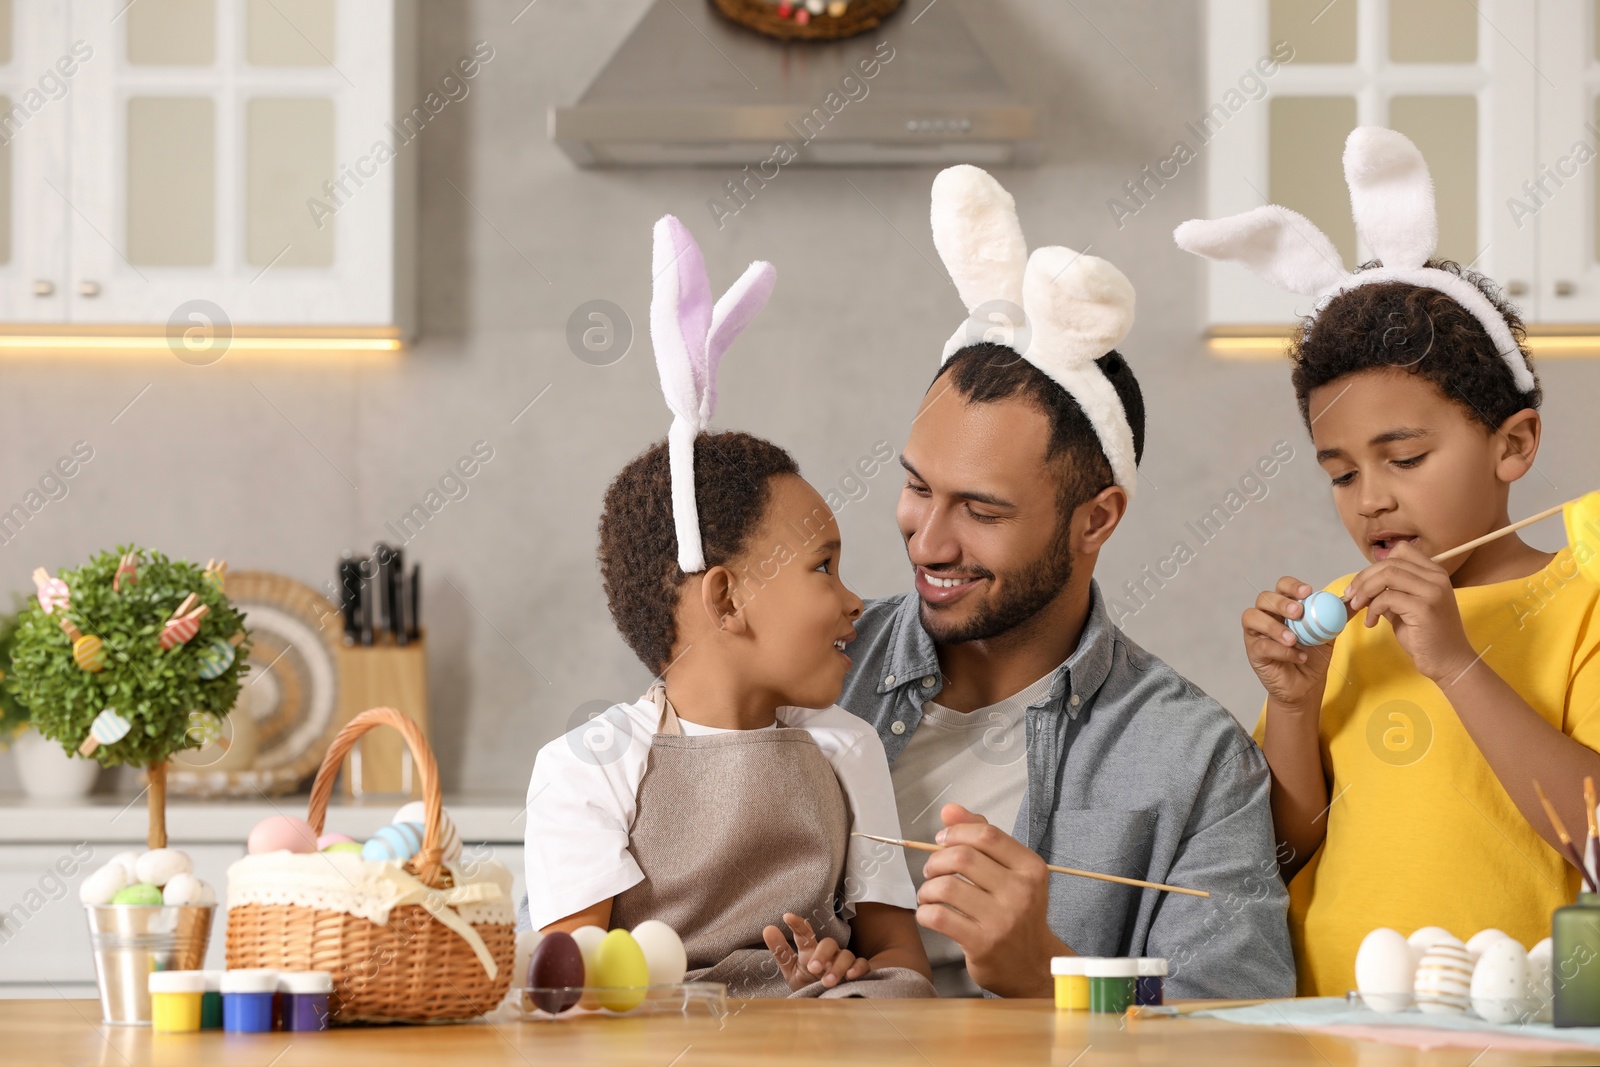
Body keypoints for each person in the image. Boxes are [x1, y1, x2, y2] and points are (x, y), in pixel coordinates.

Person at [836, 165, 1296, 999]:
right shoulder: (813, 666)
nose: (929, 540)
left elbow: (1240, 1026)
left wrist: (1049, 978)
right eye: (917, 487)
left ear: (1097, 518)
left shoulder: (1193, 759)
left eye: (980, 507)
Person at [1179, 126, 1600, 995]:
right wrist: (1292, 707)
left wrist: (1455, 662)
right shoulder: (1344, 614)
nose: (1370, 497)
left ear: (1513, 444)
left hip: (1517, 1037)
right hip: (1328, 1027)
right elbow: (1280, 855)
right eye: (1341, 472)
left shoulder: (1581, 604)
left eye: (1404, 459)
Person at [520, 216, 932, 998]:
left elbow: (905, 971)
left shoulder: (849, 749)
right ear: (727, 597)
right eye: (824, 567)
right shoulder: (587, 769)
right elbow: (567, 1001)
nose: (855, 601)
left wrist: (850, 976)